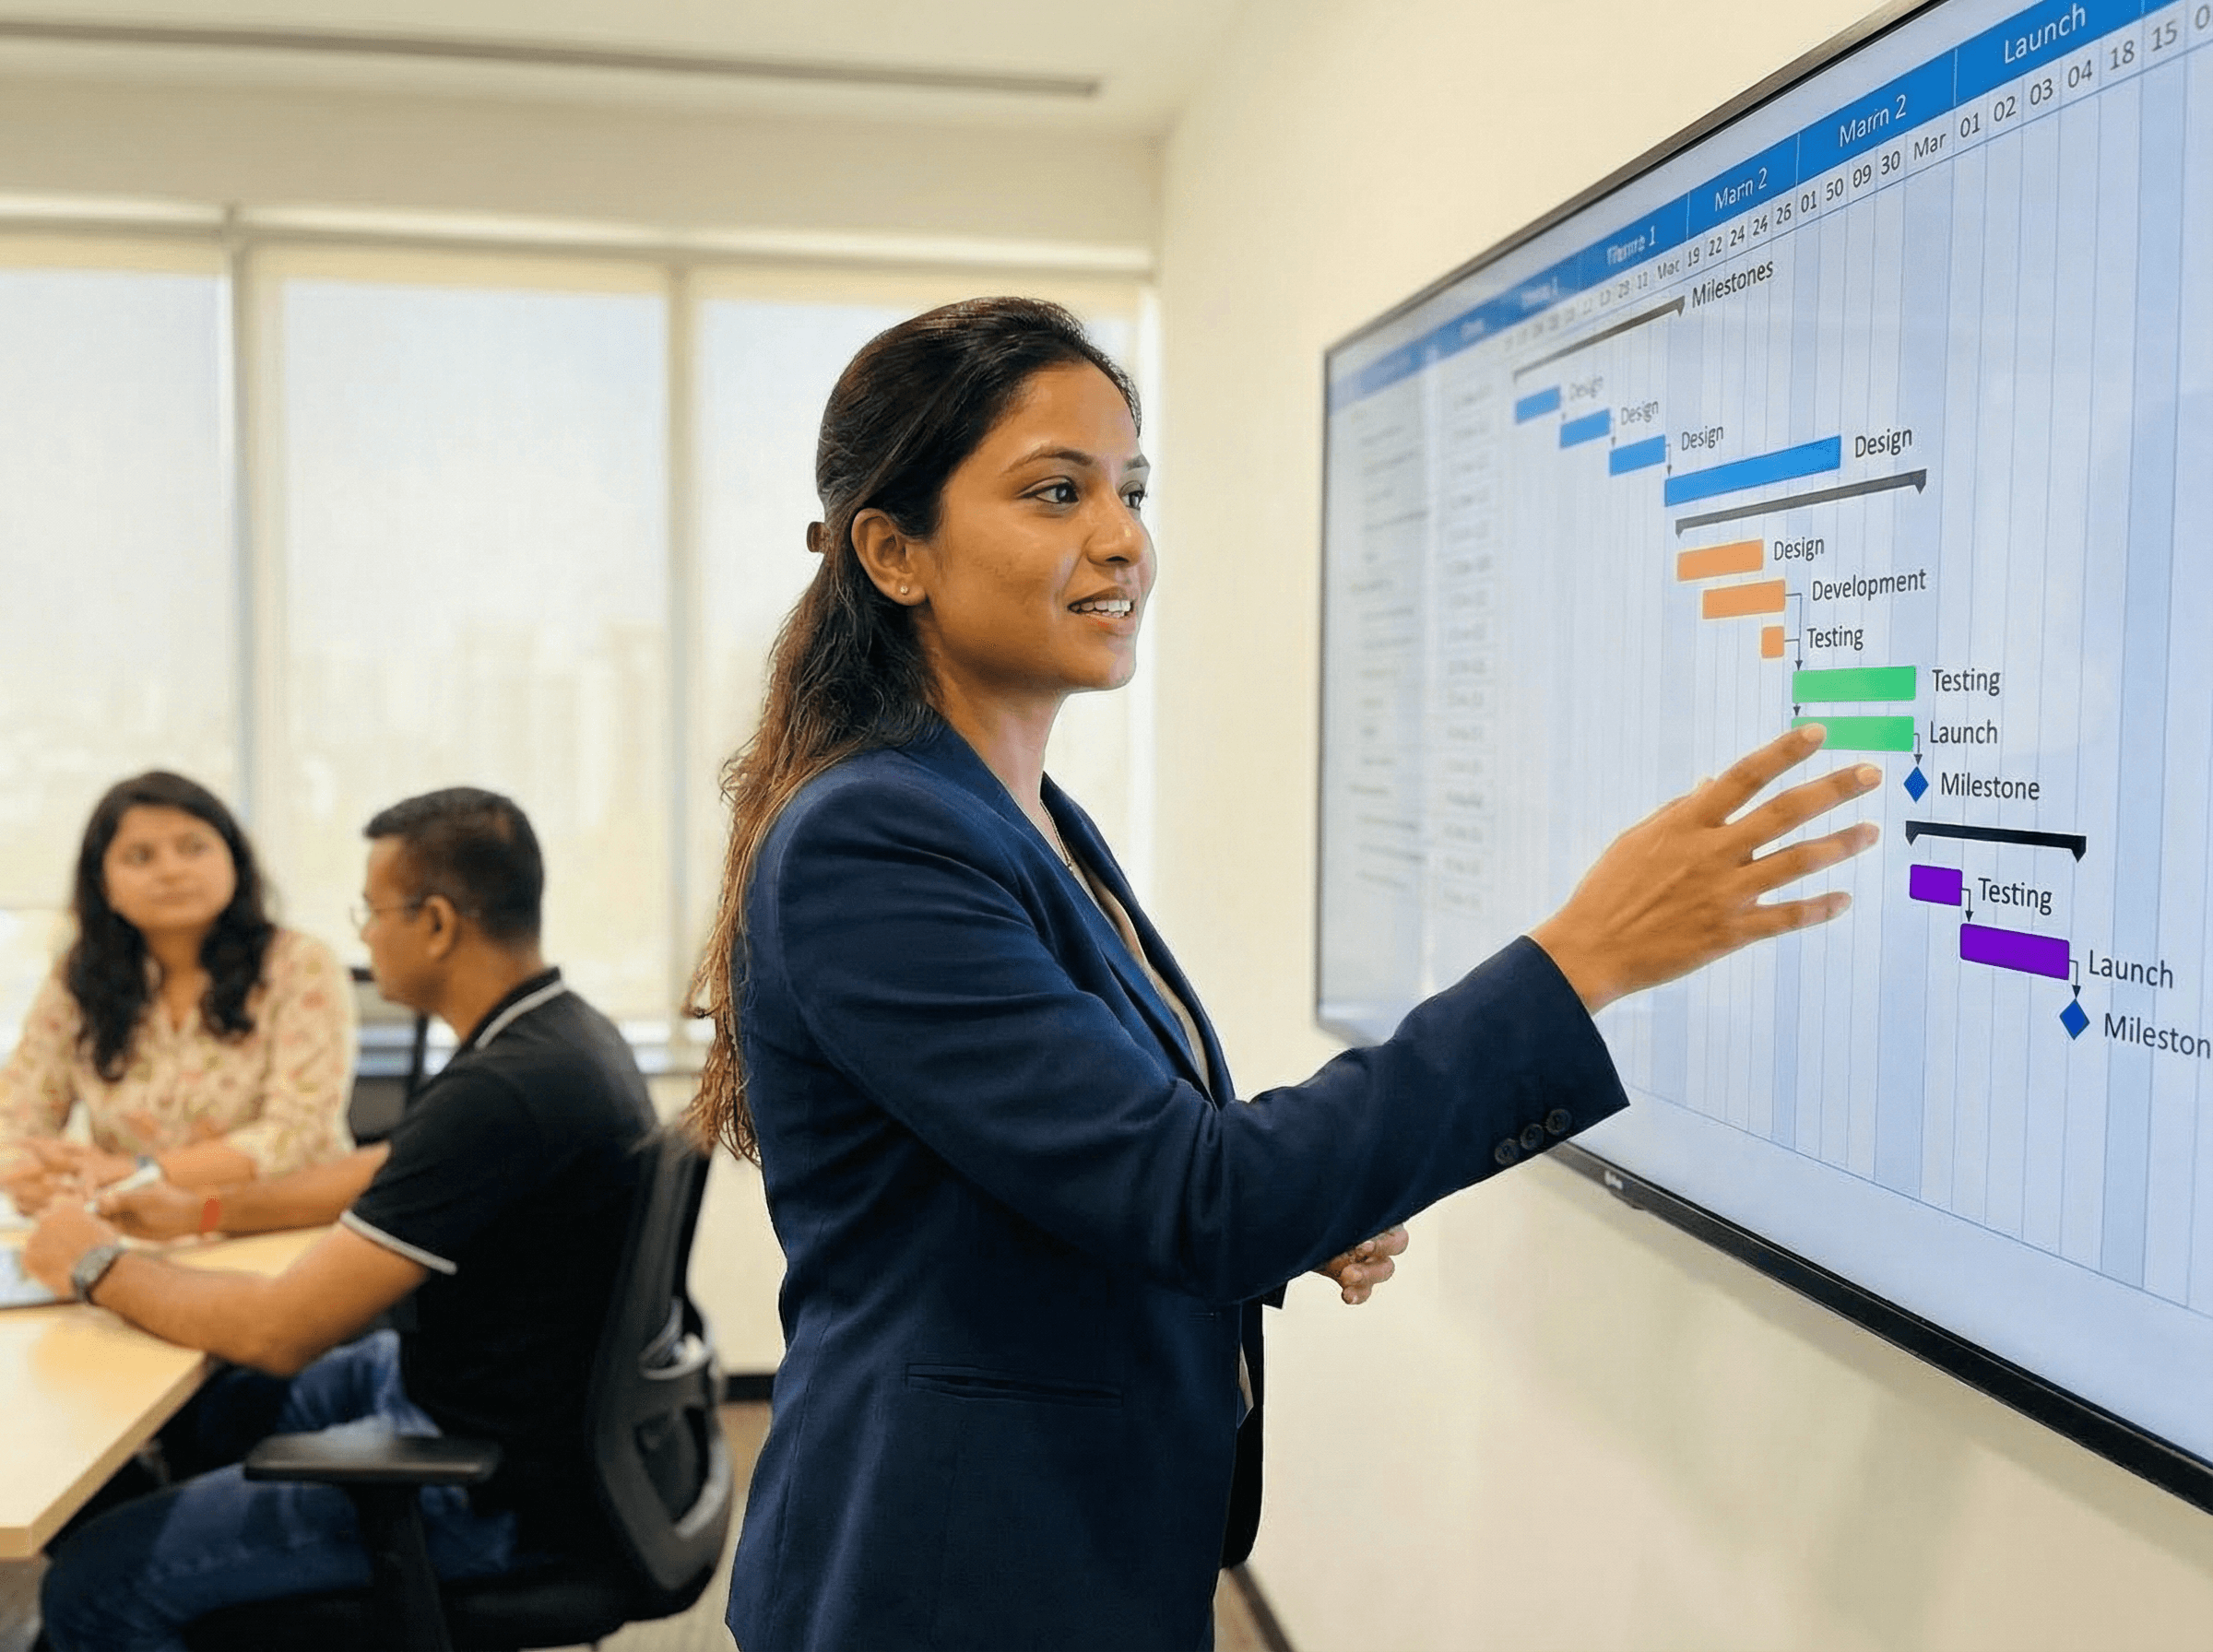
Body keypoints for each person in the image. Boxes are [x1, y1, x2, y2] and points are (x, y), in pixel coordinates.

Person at [685, 297, 1883, 1652]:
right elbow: (1199, 1197)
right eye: (1055, 491)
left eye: (1131, 490)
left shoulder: (1024, 818)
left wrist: (1297, 1206)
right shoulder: (873, 838)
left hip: (1073, 1537)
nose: (1122, 538)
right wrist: (1584, 955)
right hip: (947, 1571)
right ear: (895, 551)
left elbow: (1115, 1163)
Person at [23, 786, 657, 1652]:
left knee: (95, 1582)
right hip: (512, 1417)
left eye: (374, 910)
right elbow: (397, 1164)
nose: (363, 934)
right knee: (221, 1415)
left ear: (434, 923)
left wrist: (97, 1263)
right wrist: (203, 1208)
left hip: (484, 1488)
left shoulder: (502, 1091)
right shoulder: (558, 1036)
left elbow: (281, 1329)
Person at [0, 770, 355, 1213]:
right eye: (140, 856)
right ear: (103, 885)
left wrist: (142, 1170)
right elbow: (13, 1119)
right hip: (132, 1231)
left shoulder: (299, 964)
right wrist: (32, 1170)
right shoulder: (78, 978)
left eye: (194, 847)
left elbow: (298, 1135)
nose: (171, 870)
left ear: (234, 862)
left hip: (274, 1221)